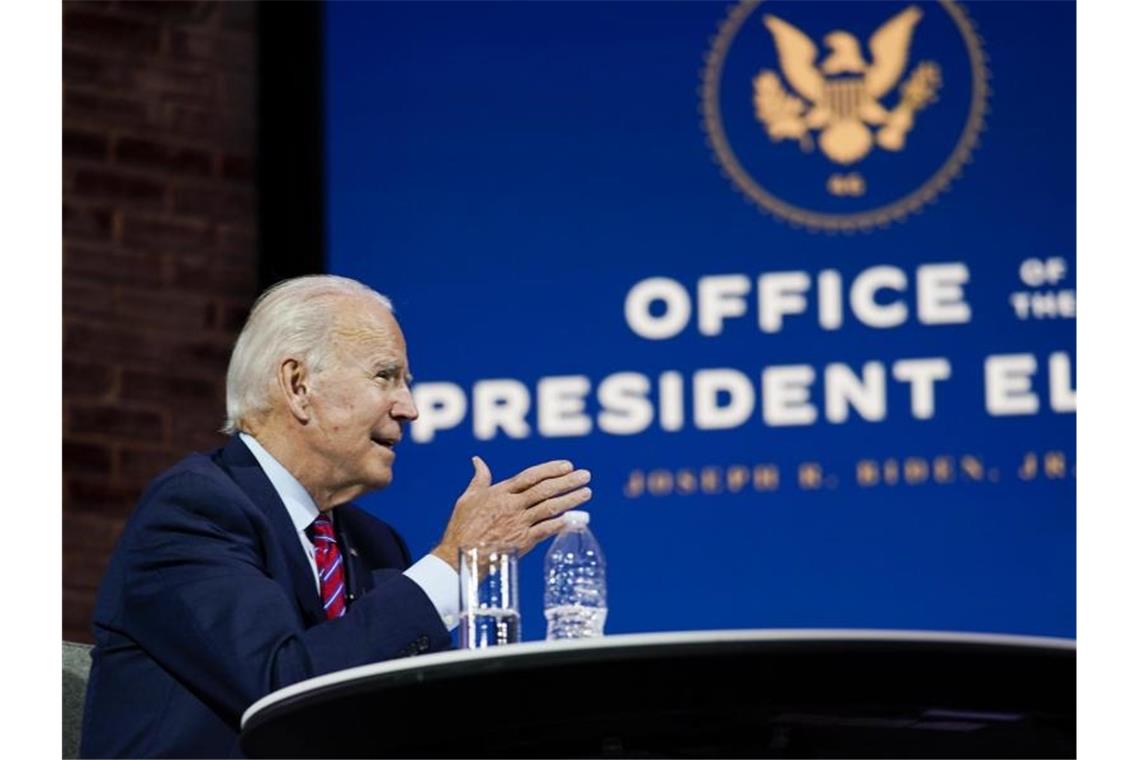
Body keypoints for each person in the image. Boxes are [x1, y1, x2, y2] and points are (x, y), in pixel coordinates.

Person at [79, 275, 593, 758]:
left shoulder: (373, 543)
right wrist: (452, 563)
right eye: (385, 377)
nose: (410, 408)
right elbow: (284, 688)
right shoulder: (194, 510)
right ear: (298, 385)